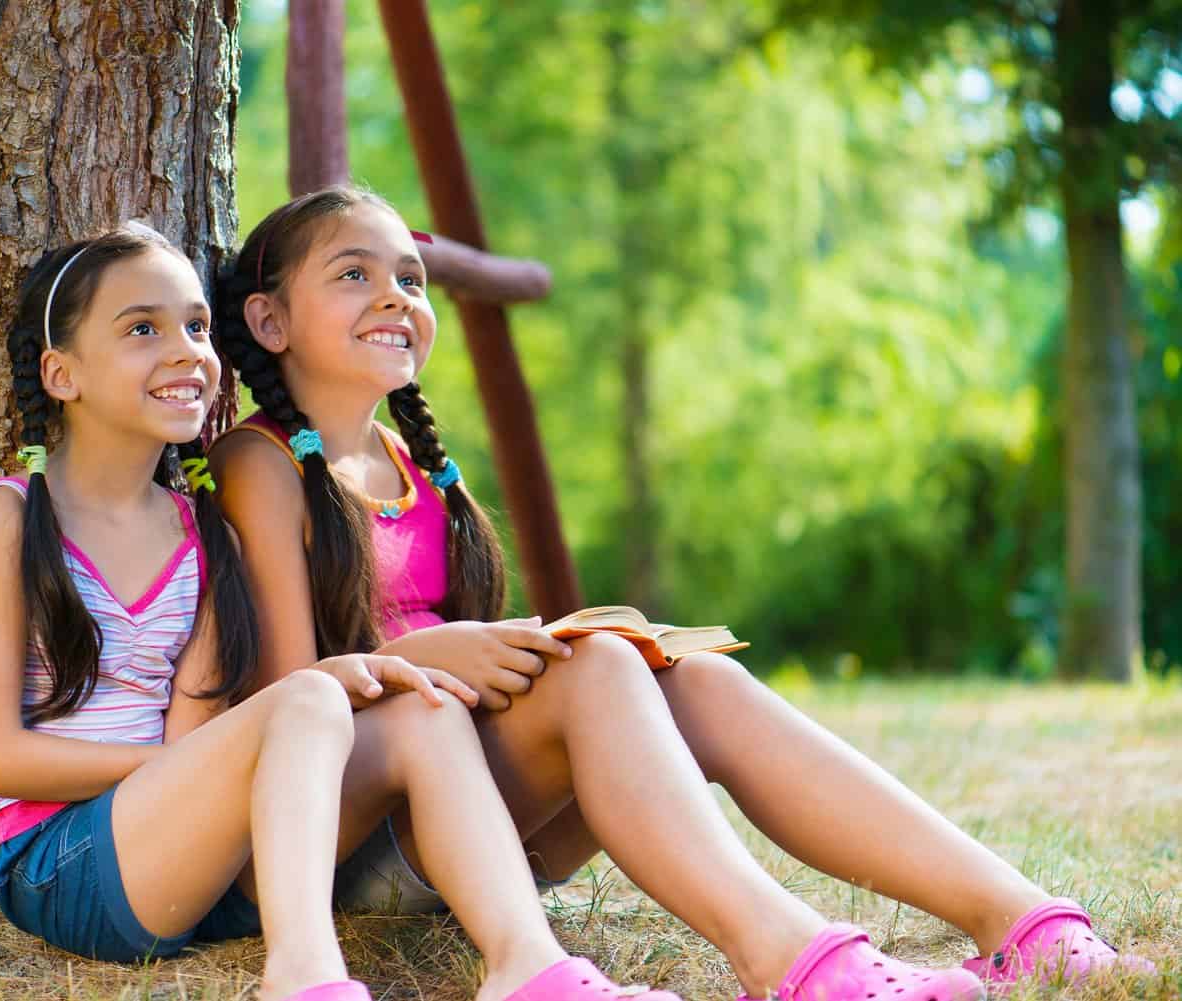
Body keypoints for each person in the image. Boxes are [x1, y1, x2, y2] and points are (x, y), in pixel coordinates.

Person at [209, 187, 1155, 1001]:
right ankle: (790, 957)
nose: (395, 296)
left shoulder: (412, 464)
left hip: (457, 814)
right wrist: (431, 654)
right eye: (354, 274)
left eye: (411, 278)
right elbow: (288, 699)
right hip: (346, 839)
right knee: (601, 671)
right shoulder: (259, 464)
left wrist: (511, 650)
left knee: (692, 680)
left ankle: (1019, 918)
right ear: (269, 321)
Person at [0, 220, 680, 1001]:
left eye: (196, 325)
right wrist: (202, 762)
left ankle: (528, 969)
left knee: (418, 711)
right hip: (58, 861)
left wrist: (222, 756)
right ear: (61, 373)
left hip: (189, 864)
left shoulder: (203, 532)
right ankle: (303, 981)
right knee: (305, 695)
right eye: (142, 328)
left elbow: (196, 740)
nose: (186, 349)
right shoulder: (9, 520)